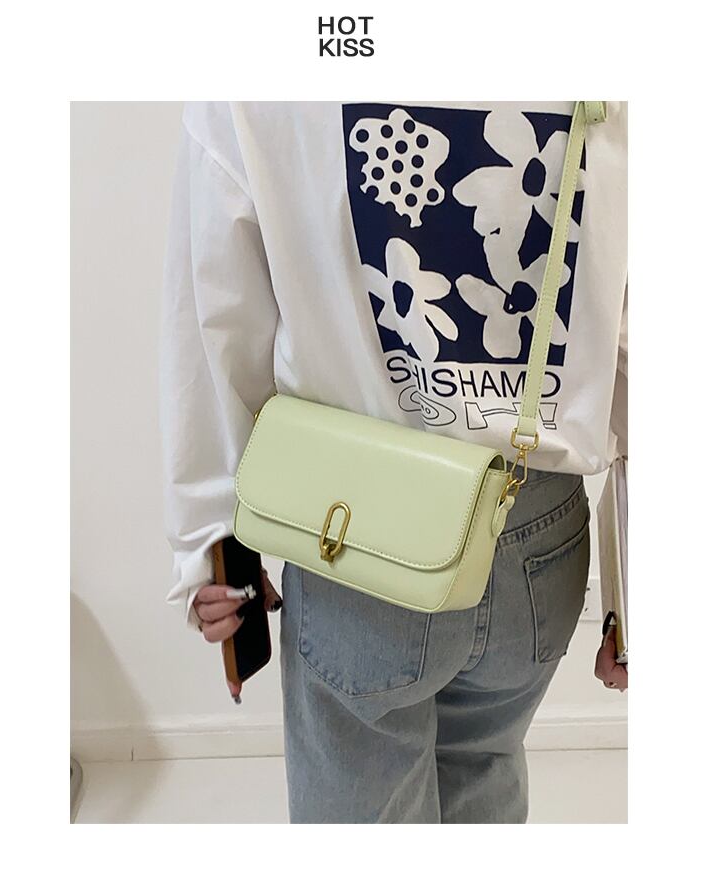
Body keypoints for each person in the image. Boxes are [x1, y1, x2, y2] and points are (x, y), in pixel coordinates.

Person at [160, 101, 627, 823]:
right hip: (539, 529)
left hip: (355, 527)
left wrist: (211, 542)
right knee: (487, 767)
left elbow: (214, 318)